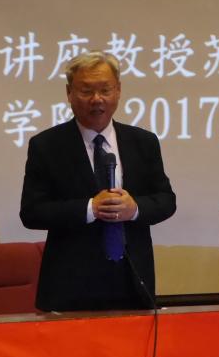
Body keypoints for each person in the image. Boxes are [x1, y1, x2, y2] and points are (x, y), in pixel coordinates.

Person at [20, 52, 176, 312]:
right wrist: (90, 208)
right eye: (86, 91)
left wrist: (134, 208)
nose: (97, 99)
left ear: (118, 91)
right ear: (69, 93)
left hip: (132, 282)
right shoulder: (46, 145)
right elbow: (32, 212)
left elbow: (166, 200)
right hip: (70, 286)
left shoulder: (143, 142)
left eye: (105, 90)